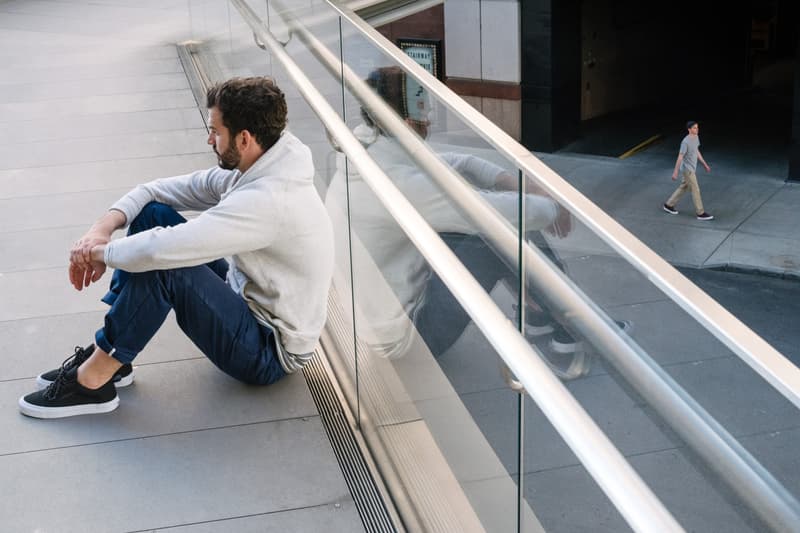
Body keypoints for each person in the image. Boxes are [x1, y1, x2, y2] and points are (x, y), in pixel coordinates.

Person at [19, 77, 334, 419]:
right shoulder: (263, 160)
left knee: (165, 265)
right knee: (152, 215)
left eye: (216, 131)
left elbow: (161, 252)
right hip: (245, 296)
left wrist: (95, 255)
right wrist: (101, 230)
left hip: (267, 351)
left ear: (243, 139)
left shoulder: (270, 200)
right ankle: (112, 354)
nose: (209, 139)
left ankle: (93, 381)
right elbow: (154, 191)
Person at [326, 66, 603, 380]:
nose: (431, 117)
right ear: (406, 123)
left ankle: (549, 313)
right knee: (496, 234)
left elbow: (460, 163)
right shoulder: (400, 183)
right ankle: (570, 327)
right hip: (403, 337)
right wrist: (553, 208)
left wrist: (517, 184)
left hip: (360, 317)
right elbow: (492, 213)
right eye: (425, 111)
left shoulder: (368, 148)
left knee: (494, 219)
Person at [663, 120, 714, 220]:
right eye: (695, 128)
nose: (697, 129)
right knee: (695, 189)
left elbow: (696, 151)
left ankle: (668, 205)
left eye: (697, 127)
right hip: (687, 170)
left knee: (683, 187)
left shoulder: (696, 137)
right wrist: (675, 171)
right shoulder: (685, 142)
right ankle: (700, 213)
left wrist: (705, 164)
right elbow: (680, 157)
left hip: (692, 168)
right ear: (689, 130)